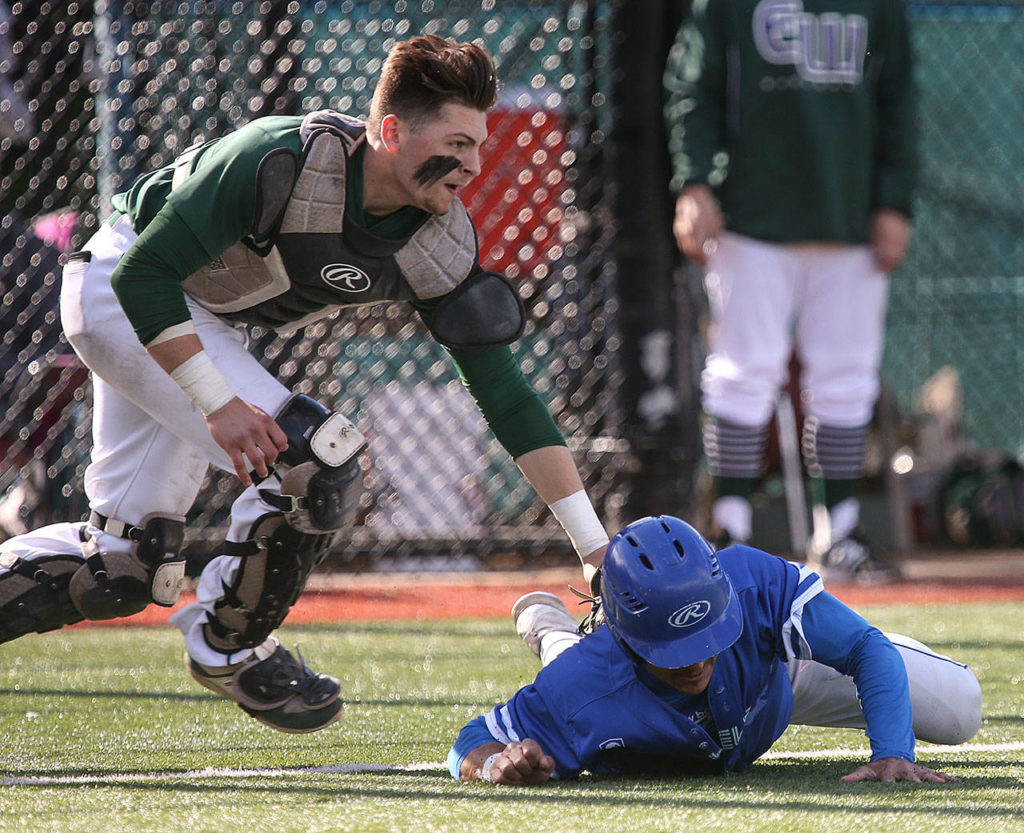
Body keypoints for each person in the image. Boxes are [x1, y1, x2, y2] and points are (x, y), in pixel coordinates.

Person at [0, 34, 609, 733]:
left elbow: (508, 398)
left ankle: (215, 630)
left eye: (479, 145)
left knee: (122, 567)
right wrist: (217, 400)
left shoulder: (438, 236)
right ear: (389, 130)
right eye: (458, 143)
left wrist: (593, 548)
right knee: (319, 462)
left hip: (198, 320)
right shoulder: (278, 159)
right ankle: (232, 647)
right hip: (122, 288)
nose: (473, 165)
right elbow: (143, 273)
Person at [663, 0, 917, 580]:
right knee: (741, 370)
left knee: (847, 376)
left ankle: (840, 532)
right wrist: (694, 182)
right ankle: (730, 533)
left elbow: (900, 99)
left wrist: (894, 201)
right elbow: (690, 87)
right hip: (749, 213)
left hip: (849, 212)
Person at [449, 515, 981, 785]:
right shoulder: (585, 683)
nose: (698, 659)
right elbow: (471, 742)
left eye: (707, 637)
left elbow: (867, 648)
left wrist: (892, 751)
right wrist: (495, 764)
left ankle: (558, 634)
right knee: (581, 681)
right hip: (609, 679)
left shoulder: (754, 581)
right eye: (674, 648)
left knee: (962, 709)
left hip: (777, 675)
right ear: (629, 638)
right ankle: (558, 636)